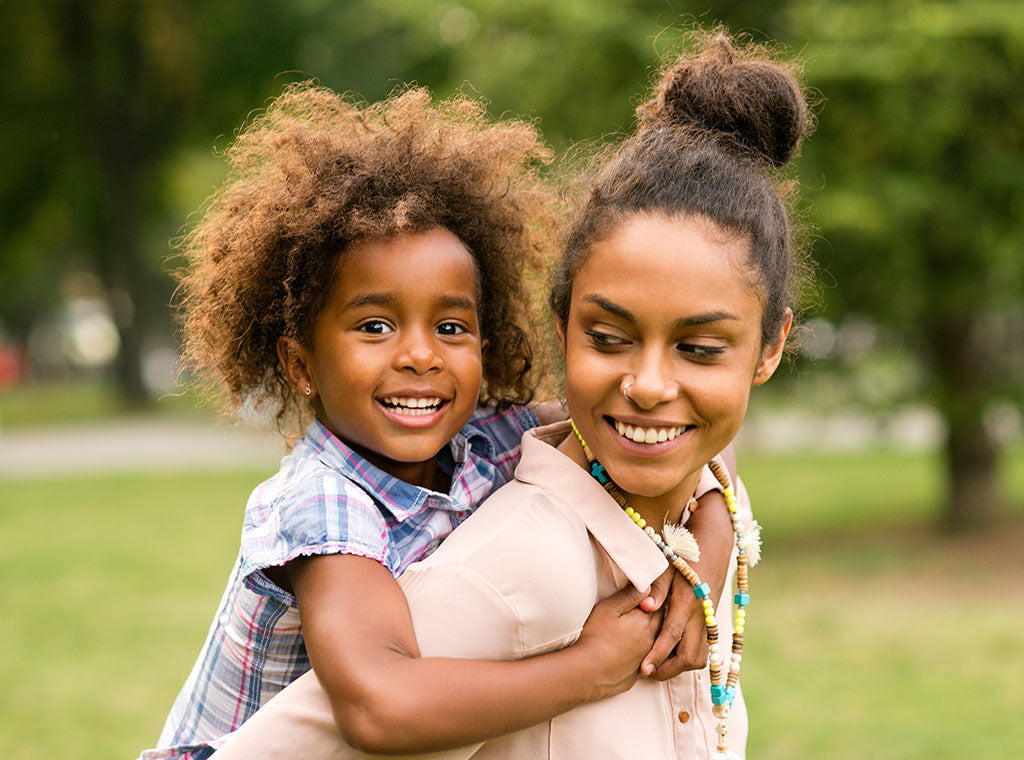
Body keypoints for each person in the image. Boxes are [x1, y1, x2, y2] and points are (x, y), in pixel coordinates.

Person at [207, 27, 813, 760]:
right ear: (300, 364)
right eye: (374, 324)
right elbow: (378, 709)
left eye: (452, 326)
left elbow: (676, 434)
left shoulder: (481, 438)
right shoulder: (325, 507)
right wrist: (586, 669)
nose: (420, 356)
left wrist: (705, 551)